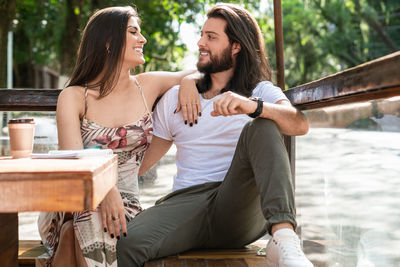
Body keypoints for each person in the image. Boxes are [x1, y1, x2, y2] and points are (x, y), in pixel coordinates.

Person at [117, 3, 313, 267]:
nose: (200, 42)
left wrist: (253, 107)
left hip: (238, 207)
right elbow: (140, 165)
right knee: (127, 244)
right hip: (186, 204)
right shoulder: (176, 98)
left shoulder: (260, 90)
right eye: (201, 34)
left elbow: (299, 124)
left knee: (262, 125)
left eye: (211, 37)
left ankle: (284, 240)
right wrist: (99, 177)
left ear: (236, 46)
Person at [37, 6, 198, 267]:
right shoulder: (75, 96)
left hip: (127, 205)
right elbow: (73, 160)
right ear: (109, 43)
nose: (143, 39)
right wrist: (105, 188)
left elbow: (198, 72)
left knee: (74, 235)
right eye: (134, 32)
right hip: (77, 197)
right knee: (88, 217)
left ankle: (74, 239)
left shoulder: (148, 85)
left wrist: (189, 82)